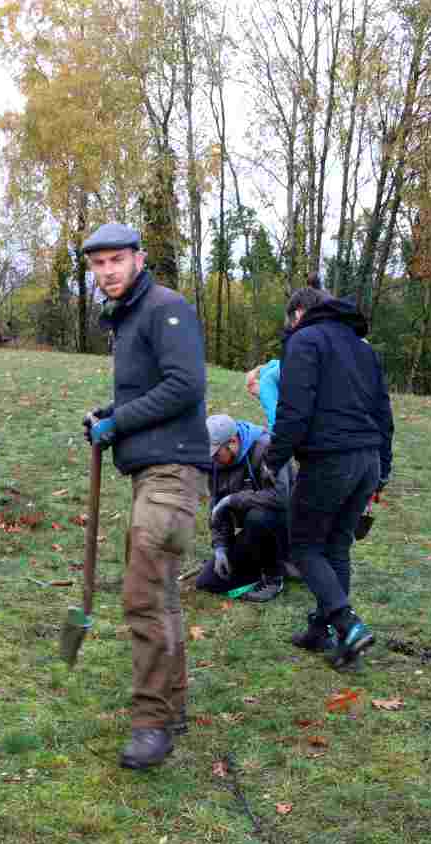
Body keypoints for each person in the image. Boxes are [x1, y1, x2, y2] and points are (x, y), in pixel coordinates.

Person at [79, 222, 209, 771]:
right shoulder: (130, 317)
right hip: (152, 470)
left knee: (141, 596)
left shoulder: (164, 307)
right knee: (162, 595)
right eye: (98, 263)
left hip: (172, 470)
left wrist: (122, 421)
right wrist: (111, 415)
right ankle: (171, 709)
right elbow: (153, 389)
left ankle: (151, 724)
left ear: (139, 258)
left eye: (116, 260)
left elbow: (186, 385)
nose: (107, 271)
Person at [264, 287, 394, 670]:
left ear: (298, 313)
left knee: (304, 546)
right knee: (336, 546)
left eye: (290, 322)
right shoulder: (363, 348)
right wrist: (383, 469)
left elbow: (294, 410)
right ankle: (323, 632)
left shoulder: (305, 341)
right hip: (368, 459)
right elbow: (383, 413)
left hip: (330, 460)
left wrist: (274, 459)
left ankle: (347, 625)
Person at [193, 414, 291, 602]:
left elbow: (280, 498)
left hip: (284, 528)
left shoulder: (267, 448)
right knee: (208, 582)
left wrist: (233, 499)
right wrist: (220, 547)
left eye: (216, 454)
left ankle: (274, 577)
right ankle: (262, 567)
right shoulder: (216, 462)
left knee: (258, 516)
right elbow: (217, 508)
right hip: (254, 535)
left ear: (232, 442)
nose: (213, 460)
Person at [245, 359, 280, 429]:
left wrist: (271, 430)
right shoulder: (270, 368)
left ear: (255, 382)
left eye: (253, 393)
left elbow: (273, 416)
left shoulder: (264, 384)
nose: (257, 397)